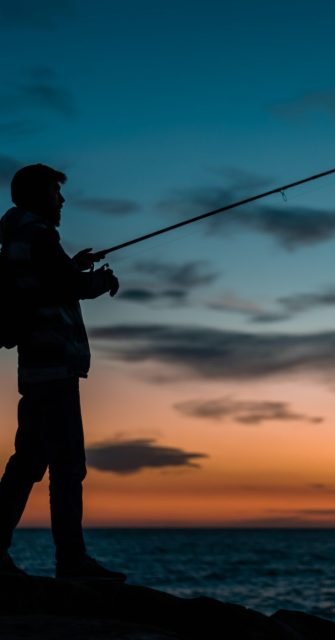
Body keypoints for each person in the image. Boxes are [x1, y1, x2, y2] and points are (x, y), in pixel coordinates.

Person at [0, 164, 125, 581]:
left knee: (29, 460)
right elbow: (65, 286)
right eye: (56, 192)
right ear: (37, 195)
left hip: (35, 365)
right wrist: (98, 280)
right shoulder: (39, 233)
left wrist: (73, 266)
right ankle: (72, 562)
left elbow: (45, 280)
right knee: (68, 465)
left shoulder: (17, 235)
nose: (63, 200)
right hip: (54, 363)